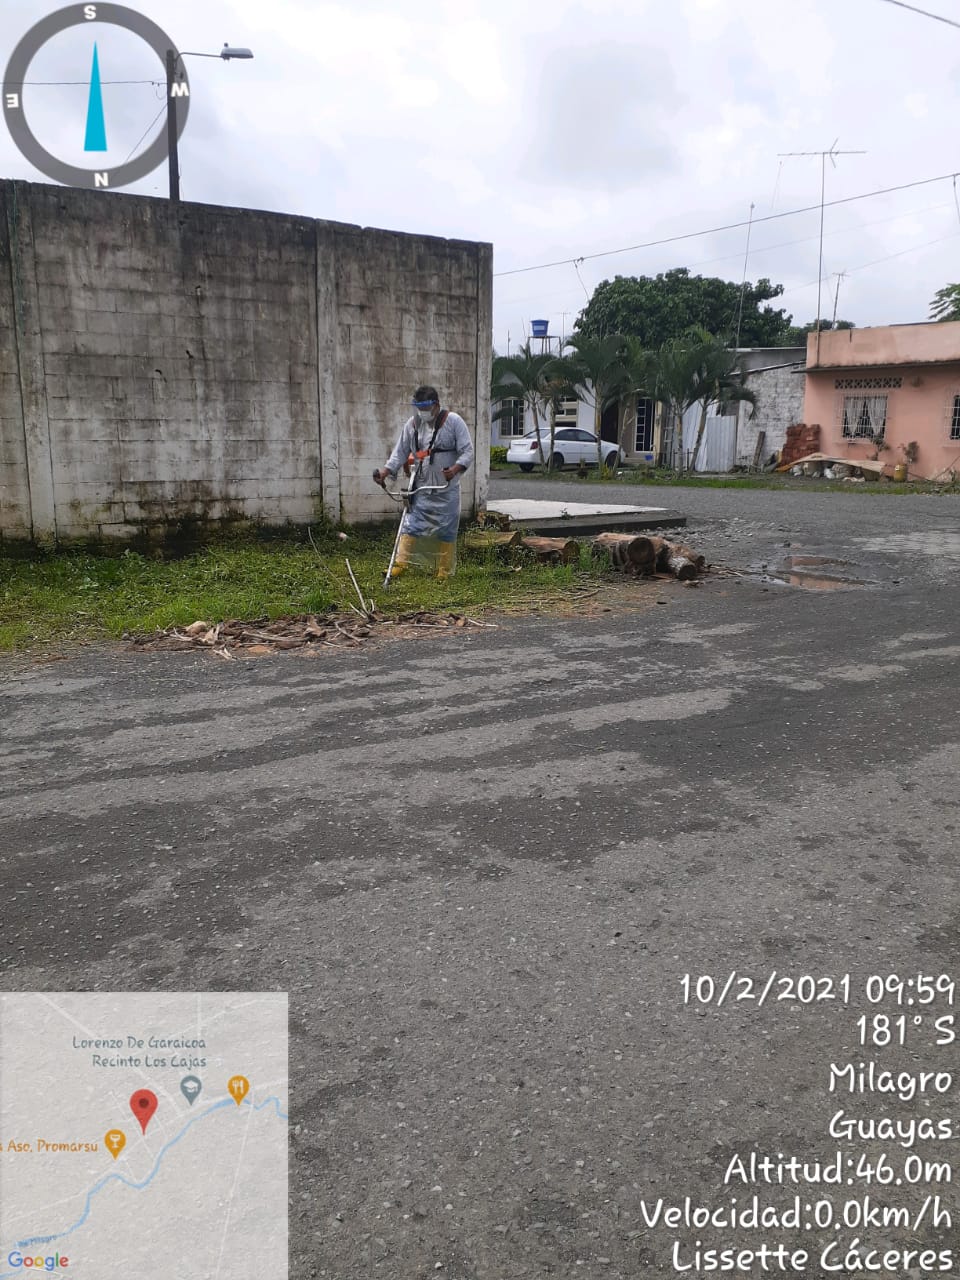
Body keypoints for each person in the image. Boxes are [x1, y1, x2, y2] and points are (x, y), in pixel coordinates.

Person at [373, 386, 474, 579]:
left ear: (436, 405)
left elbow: (467, 452)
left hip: (446, 489)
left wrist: (454, 469)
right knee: (411, 524)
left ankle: (444, 570)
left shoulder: (453, 421)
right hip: (421, 487)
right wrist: (385, 472)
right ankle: (401, 564)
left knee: (446, 528)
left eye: (426, 408)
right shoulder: (413, 424)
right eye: (419, 408)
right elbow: (400, 452)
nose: (422, 412)